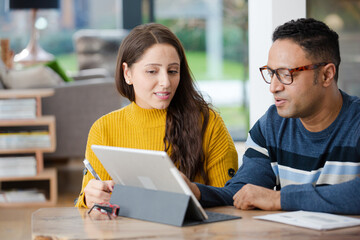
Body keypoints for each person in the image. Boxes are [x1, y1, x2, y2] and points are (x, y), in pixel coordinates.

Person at [184, 18, 360, 214]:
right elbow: (243, 192)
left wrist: (280, 199)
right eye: (271, 73)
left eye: (286, 74)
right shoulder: (270, 126)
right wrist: (196, 192)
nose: (274, 87)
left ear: (327, 75)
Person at [75, 23, 238, 208]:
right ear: (127, 73)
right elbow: (93, 206)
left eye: (173, 71)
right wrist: (89, 199)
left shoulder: (208, 122)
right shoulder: (103, 129)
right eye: (152, 71)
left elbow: (228, 199)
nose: (165, 82)